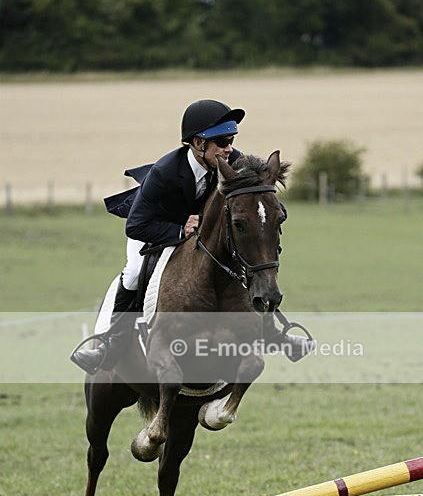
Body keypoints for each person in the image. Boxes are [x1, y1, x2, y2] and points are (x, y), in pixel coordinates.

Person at [71, 99, 313, 375]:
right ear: (198, 144)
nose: (229, 148)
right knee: (135, 272)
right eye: (221, 141)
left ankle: (272, 332)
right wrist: (179, 229)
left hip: (203, 235)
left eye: (231, 139)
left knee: (245, 262)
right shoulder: (165, 173)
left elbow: (258, 199)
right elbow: (136, 226)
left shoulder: (233, 161)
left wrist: (270, 209)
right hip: (157, 231)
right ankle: (110, 344)